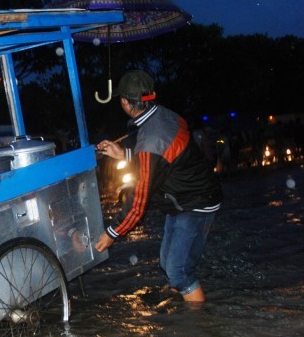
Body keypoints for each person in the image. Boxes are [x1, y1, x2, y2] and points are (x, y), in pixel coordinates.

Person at [94, 70, 222, 302]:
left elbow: (138, 204)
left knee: (178, 272)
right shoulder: (163, 115)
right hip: (182, 198)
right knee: (167, 263)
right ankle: (179, 304)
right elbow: (160, 156)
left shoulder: (152, 137)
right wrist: (122, 152)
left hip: (196, 202)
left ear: (124, 102)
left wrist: (112, 232)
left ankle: (200, 326)